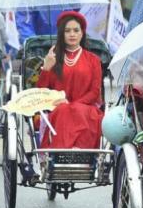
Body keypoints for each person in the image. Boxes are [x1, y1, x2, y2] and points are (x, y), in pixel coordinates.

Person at [36, 11, 104, 149]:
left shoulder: (93, 60)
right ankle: (61, 154)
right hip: (58, 107)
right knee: (62, 111)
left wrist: (74, 104)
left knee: (77, 111)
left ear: (82, 33)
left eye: (76, 30)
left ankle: (81, 154)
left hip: (86, 108)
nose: (72, 34)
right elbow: (41, 91)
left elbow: (95, 91)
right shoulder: (53, 58)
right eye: (67, 31)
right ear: (62, 34)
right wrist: (46, 69)